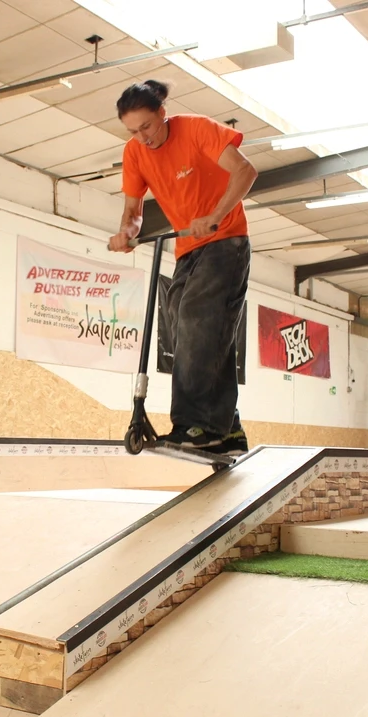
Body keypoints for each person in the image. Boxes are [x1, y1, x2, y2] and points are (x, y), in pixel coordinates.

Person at [107, 79, 258, 456]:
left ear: (162, 114)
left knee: (197, 317)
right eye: (133, 131)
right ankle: (229, 429)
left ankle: (195, 425)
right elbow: (133, 212)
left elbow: (245, 172)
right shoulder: (135, 153)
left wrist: (217, 214)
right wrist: (126, 233)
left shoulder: (197, 129)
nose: (142, 137)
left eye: (147, 126)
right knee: (185, 324)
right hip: (187, 249)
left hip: (226, 241)